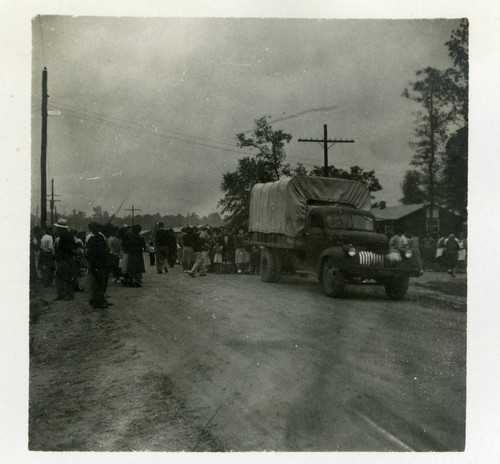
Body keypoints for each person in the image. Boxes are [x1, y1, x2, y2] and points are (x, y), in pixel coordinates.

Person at [86, 222, 112, 309]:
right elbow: (102, 251)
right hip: (99, 263)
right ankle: (99, 301)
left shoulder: (91, 238)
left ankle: (96, 300)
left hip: (95, 263)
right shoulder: (99, 238)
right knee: (100, 282)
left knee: (96, 282)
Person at [53, 219, 77, 301]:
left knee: (65, 277)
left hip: (65, 259)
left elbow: (70, 248)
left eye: (58, 228)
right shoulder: (66, 236)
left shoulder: (66, 236)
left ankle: (67, 295)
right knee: (61, 277)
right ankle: (62, 294)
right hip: (64, 258)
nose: (57, 230)